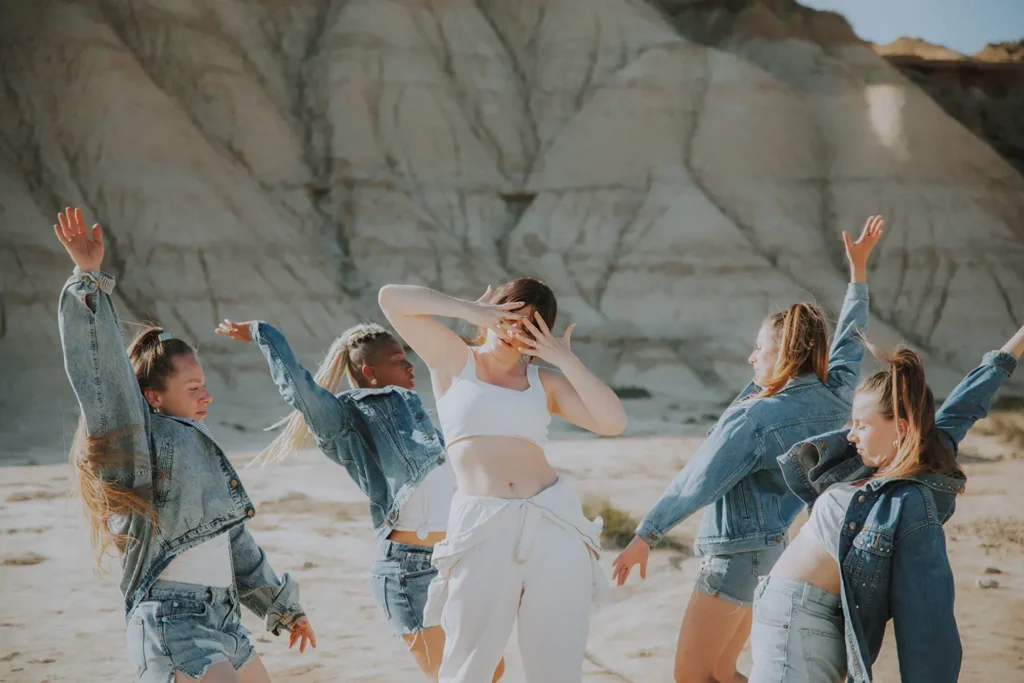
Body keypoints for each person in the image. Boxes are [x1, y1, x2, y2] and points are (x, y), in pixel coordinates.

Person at [612, 217, 885, 683]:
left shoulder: (753, 418)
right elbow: (849, 342)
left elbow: (700, 478)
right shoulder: (835, 395)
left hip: (735, 559)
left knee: (691, 675)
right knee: (723, 671)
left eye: (759, 349)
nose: (751, 358)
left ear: (783, 356)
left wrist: (645, 536)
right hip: (776, 551)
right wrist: (858, 275)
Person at [54, 207, 314, 683]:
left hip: (224, 619)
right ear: (153, 396)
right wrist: (86, 276)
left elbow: (231, 537)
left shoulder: (200, 441)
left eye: (205, 385)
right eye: (193, 388)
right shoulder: (139, 440)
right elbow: (103, 376)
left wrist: (280, 605)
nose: (207, 396)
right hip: (172, 620)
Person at [215, 315, 505, 682]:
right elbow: (301, 391)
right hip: (409, 572)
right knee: (457, 675)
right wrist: (265, 334)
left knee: (493, 669)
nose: (410, 365)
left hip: (456, 560)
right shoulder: (347, 420)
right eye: (399, 360)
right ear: (369, 371)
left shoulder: (423, 423)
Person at [377, 277, 628, 683]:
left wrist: (565, 359)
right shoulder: (455, 360)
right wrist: (473, 310)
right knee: (467, 665)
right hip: (482, 527)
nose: (517, 330)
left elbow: (613, 421)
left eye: (532, 324)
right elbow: (391, 298)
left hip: (552, 524)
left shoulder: (543, 382)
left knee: (557, 667)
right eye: (512, 316)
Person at [750, 330, 1023, 683]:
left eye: (862, 425)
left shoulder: (911, 503)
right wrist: (1013, 347)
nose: (850, 435)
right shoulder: (884, 461)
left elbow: (927, 614)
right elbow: (967, 403)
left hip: (802, 628)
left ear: (902, 429)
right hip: (790, 625)